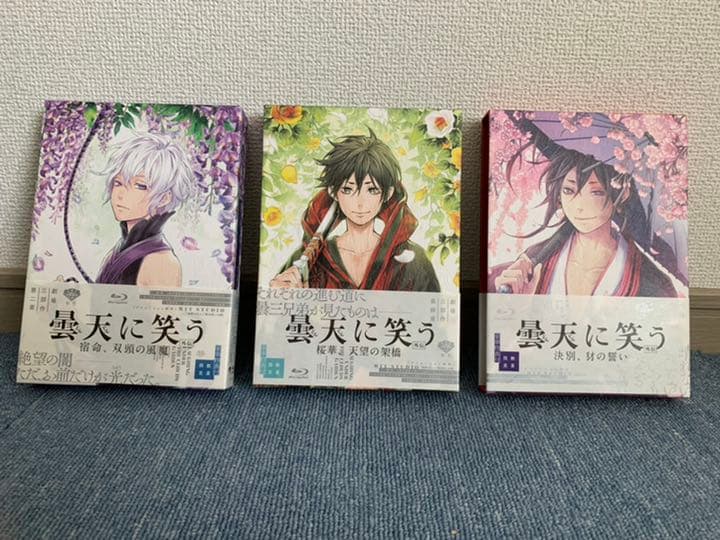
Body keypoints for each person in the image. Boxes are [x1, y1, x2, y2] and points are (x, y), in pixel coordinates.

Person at [491, 117, 681, 298]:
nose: (579, 206)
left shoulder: (652, 283)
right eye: (568, 190)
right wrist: (520, 304)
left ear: (622, 194)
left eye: (596, 192)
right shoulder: (533, 261)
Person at [270, 130, 440, 291]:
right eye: (347, 189)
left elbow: (432, 311)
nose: (360, 203)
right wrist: (285, 295)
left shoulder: (413, 260)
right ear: (333, 192)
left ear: (388, 193)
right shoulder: (307, 260)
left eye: (372, 190)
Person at [96, 132, 195, 286]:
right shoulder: (122, 247)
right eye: (118, 183)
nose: (120, 195)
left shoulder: (161, 262)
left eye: (140, 186)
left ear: (164, 198)